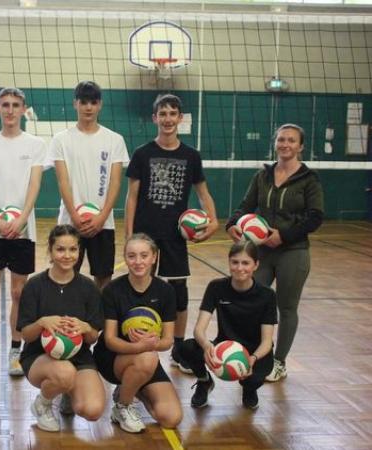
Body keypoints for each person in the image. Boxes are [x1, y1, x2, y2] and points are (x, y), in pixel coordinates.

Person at [124, 93, 219, 373]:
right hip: (146, 235)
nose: (167, 119)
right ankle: (137, 337)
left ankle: (177, 346)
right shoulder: (143, 153)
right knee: (140, 287)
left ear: (180, 118)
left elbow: (203, 193)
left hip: (176, 236)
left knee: (178, 293)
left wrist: (213, 221)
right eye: (162, 114)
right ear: (155, 118)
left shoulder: (191, 156)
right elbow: (131, 197)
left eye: (172, 114)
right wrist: (129, 235)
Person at [225, 123, 323, 382]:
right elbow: (245, 206)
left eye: (291, 140)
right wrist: (232, 224)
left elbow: (315, 218)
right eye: (281, 140)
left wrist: (284, 235)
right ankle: (248, 354)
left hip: (294, 251)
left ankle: (279, 361)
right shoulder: (263, 176)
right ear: (275, 143)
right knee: (249, 301)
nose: (285, 144)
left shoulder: (309, 179)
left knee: (286, 307)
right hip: (261, 252)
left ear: (300, 146)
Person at [0, 87, 46, 376]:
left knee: (18, 293)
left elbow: (34, 185)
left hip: (23, 230)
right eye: (5, 105)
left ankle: (16, 350)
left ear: (23, 109)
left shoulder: (36, 144)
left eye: (15, 105)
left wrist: (21, 219)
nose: (10, 110)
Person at [17, 225, 105, 432]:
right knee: (64, 372)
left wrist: (85, 328)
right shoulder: (35, 285)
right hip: (39, 357)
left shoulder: (89, 288)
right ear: (50, 251)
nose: (67, 255)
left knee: (92, 410)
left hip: (79, 357)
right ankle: (43, 404)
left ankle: (67, 391)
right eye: (60, 249)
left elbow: (92, 338)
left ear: (79, 251)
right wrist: (41, 323)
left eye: (73, 249)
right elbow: (26, 334)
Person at [93, 233, 182, 433]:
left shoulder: (165, 291)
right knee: (147, 359)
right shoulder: (112, 290)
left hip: (145, 357)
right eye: (132, 256)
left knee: (171, 418)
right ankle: (122, 406)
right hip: (112, 358)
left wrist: (150, 344)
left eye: (144, 255)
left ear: (154, 257)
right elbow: (109, 340)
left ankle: (132, 386)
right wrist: (139, 347)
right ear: (125, 258)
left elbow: (167, 341)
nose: (138, 261)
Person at [49, 81, 129, 290]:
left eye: (93, 102)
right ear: (75, 104)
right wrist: (75, 217)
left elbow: (115, 181)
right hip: (69, 221)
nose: (88, 107)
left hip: (103, 223)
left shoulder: (115, 140)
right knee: (65, 273)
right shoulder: (60, 140)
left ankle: (97, 322)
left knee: (103, 279)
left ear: (99, 105)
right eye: (83, 102)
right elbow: (62, 180)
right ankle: (66, 320)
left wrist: (102, 217)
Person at [179, 241, 277, 410]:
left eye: (246, 263)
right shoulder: (216, 287)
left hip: (254, 352)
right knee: (185, 348)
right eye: (235, 262)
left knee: (258, 374)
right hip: (224, 347)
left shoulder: (267, 295)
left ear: (256, 265)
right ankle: (204, 382)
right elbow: (199, 329)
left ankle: (249, 388)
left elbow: (267, 341)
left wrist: (251, 360)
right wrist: (207, 346)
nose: (240, 268)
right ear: (229, 262)